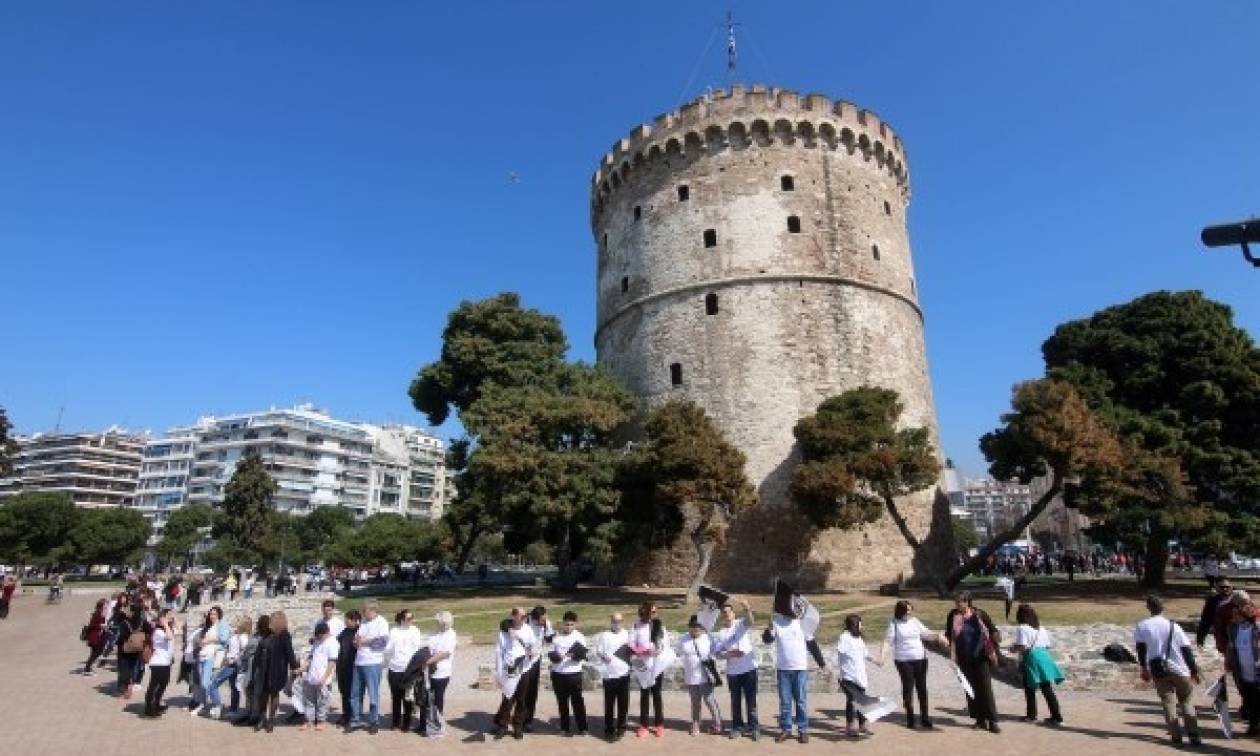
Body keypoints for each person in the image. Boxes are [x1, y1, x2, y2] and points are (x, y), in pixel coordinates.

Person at [1136, 594, 1202, 746]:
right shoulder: (1174, 626)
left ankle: (1175, 735)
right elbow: (1186, 650)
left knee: (1167, 702)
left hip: (1158, 668)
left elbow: (1141, 649)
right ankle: (1193, 734)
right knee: (1186, 701)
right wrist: (1193, 670)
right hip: (1180, 668)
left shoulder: (1142, 626)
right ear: (1163, 608)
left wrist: (1144, 668)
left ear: (1148, 607)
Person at [944, 591, 1001, 733]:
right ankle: (980, 719)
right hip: (964, 658)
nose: (957, 604)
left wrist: (994, 643)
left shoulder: (979, 614)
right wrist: (952, 657)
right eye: (955, 602)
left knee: (985, 688)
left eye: (960, 602)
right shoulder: (953, 615)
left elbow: (993, 630)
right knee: (970, 689)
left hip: (981, 656)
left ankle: (992, 720)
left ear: (968, 602)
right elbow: (951, 637)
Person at [763, 599, 810, 743]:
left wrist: (822, 663)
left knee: (801, 701)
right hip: (783, 669)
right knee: (785, 702)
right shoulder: (777, 621)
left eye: (796, 608)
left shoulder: (803, 623)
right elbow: (767, 640)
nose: (794, 610)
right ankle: (786, 729)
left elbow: (812, 643)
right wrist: (769, 628)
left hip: (800, 668)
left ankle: (802, 730)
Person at [1011, 604, 1063, 724]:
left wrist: (1013, 648)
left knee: (1029, 688)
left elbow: (1023, 647)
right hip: (1044, 658)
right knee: (1047, 688)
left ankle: (1031, 715)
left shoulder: (1022, 628)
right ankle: (1057, 716)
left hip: (1031, 660)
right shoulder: (1041, 628)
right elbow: (1047, 645)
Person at [715, 600, 758, 740]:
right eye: (724, 612)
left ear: (733, 614)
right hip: (733, 672)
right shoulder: (721, 633)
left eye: (729, 611)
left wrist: (747, 608)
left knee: (751, 701)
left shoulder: (740, 624)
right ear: (722, 615)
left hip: (748, 669)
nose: (726, 614)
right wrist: (729, 654)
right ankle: (737, 727)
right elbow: (717, 653)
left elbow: (750, 621)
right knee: (735, 701)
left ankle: (754, 727)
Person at [494, 606, 536, 740]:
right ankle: (502, 726)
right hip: (509, 669)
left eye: (525, 616)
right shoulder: (504, 632)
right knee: (507, 699)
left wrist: (531, 654)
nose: (525, 618)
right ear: (514, 617)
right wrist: (499, 672)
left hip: (523, 669)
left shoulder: (528, 629)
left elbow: (534, 646)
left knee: (522, 699)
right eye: (522, 616)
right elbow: (499, 652)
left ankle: (518, 726)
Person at [677, 615, 722, 736]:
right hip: (691, 677)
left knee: (709, 700)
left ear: (701, 627)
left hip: (705, 676)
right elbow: (678, 654)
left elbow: (716, 653)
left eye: (697, 626)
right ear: (689, 627)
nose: (695, 628)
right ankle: (696, 723)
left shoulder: (708, 638)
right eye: (692, 626)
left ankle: (717, 724)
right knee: (695, 701)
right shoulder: (683, 639)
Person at [547, 610, 589, 736]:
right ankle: (565, 727)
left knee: (577, 701)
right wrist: (556, 656)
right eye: (567, 624)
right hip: (558, 673)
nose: (569, 627)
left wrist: (574, 655)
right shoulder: (556, 637)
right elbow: (550, 653)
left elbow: (583, 654)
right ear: (562, 624)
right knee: (562, 702)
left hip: (574, 673)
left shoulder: (580, 637)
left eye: (571, 625)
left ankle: (582, 727)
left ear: (575, 624)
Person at [350, 600, 390, 733]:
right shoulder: (363, 622)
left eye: (364, 610)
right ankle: (355, 720)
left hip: (373, 662)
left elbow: (383, 642)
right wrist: (356, 642)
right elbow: (357, 639)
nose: (363, 612)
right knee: (355, 693)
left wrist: (365, 641)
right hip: (359, 661)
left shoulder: (381, 622)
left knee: (373, 694)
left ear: (372, 610)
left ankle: (374, 721)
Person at [256, 610, 299, 732]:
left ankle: (271, 720)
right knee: (263, 695)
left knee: (274, 694)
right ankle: (262, 718)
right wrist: (256, 666)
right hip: (264, 668)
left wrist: (295, 667)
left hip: (277, 670)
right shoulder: (268, 634)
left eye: (272, 620)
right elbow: (260, 648)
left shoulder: (285, 636)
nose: (270, 622)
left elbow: (290, 653)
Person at [631, 602, 669, 738]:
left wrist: (657, 650)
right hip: (643, 666)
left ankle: (659, 724)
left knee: (657, 695)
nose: (653, 615)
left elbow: (665, 644)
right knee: (644, 695)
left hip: (657, 665)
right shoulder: (636, 626)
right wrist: (643, 651)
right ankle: (644, 724)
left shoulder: (660, 626)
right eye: (651, 612)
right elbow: (631, 644)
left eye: (655, 612)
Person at [836, 614, 877, 738]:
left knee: (862, 700)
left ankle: (863, 724)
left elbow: (865, 653)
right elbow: (839, 651)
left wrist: (876, 660)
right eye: (860, 623)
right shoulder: (844, 637)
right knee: (852, 700)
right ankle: (850, 726)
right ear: (854, 624)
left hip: (860, 675)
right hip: (848, 676)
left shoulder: (859, 638)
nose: (861, 625)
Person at [1225, 595, 1260, 736]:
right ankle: (1253, 726)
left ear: (1245, 616)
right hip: (1243, 672)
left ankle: (1254, 725)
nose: (1233, 617)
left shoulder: (1256, 630)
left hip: (1257, 672)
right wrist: (1228, 662)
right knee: (1249, 701)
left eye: (1236, 615)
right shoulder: (1233, 630)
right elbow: (1231, 647)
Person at [385, 609, 424, 732]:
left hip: (409, 669)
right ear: (401, 620)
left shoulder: (415, 631)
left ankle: (406, 724)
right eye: (408, 618)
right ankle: (395, 722)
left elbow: (417, 648)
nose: (411, 620)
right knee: (396, 697)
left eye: (412, 618)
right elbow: (389, 649)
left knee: (408, 697)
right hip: (395, 668)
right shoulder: (394, 631)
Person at [595, 612, 631, 741]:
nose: (617, 624)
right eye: (615, 621)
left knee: (623, 703)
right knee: (609, 703)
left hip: (624, 674)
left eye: (619, 621)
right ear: (611, 622)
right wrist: (603, 656)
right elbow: (599, 651)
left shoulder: (627, 634)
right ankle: (609, 727)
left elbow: (632, 650)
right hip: (609, 675)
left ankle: (621, 727)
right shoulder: (605, 636)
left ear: (623, 621)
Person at [299, 621, 339, 731]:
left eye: (320, 635)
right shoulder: (317, 641)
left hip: (323, 678)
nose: (318, 637)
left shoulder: (332, 642)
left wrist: (325, 677)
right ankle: (308, 720)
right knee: (309, 700)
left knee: (322, 701)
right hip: (312, 676)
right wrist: (303, 668)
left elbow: (332, 662)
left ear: (326, 632)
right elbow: (311, 657)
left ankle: (321, 720)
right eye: (317, 635)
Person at [423, 611, 456, 737]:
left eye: (438, 622)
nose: (436, 623)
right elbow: (429, 646)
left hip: (442, 672)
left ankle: (438, 725)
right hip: (431, 671)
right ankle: (429, 722)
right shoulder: (435, 632)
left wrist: (428, 661)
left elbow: (445, 653)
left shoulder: (451, 634)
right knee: (430, 698)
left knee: (438, 698)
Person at [522, 605, 552, 731]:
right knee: (521, 690)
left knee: (532, 690)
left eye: (544, 619)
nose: (543, 622)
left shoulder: (546, 624)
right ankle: (519, 717)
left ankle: (528, 720)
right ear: (534, 618)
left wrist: (548, 629)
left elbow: (549, 639)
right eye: (541, 620)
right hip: (522, 660)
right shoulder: (525, 622)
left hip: (535, 660)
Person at [144, 609, 176, 718]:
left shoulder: (167, 629)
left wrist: (170, 623)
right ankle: (149, 708)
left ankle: (156, 704)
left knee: (163, 684)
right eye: (169, 615)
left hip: (165, 662)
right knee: (154, 686)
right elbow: (169, 637)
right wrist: (165, 623)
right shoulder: (158, 631)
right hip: (158, 663)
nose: (172, 616)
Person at [335, 610, 361, 730]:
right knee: (343, 691)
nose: (345, 621)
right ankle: (345, 715)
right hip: (342, 665)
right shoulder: (345, 631)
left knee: (352, 693)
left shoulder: (359, 631)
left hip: (353, 666)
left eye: (347, 619)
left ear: (354, 620)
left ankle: (352, 716)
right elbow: (337, 641)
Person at [82, 597, 110, 675]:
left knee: (95, 652)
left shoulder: (102, 613)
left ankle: (88, 667)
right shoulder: (97, 613)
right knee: (97, 652)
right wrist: (100, 625)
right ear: (101, 606)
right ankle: (87, 668)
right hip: (94, 636)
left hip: (98, 636)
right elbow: (91, 625)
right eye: (105, 606)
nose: (107, 607)